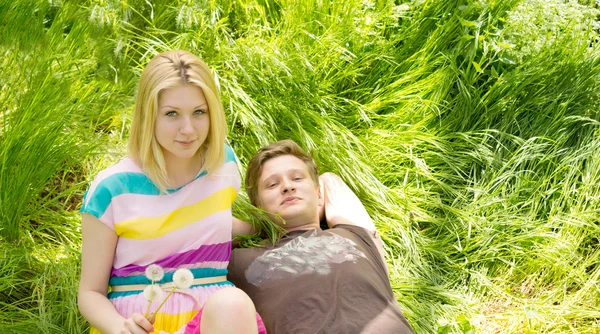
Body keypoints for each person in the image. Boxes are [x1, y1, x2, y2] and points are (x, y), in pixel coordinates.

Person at [78, 50, 266, 334]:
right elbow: (90, 293)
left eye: (199, 112)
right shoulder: (112, 189)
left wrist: (271, 225)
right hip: (141, 322)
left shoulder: (223, 164)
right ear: (148, 116)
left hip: (216, 319)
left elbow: (210, 221)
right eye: (172, 114)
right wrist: (120, 328)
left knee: (233, 303)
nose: (188, 129)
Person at [226, 139, 415, 333]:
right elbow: (207, 227)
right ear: (258, 207)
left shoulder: (355, 234)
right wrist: (260, 224)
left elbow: (330, 180)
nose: (287, 187)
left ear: (319, 194)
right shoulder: (243, 261)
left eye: (297, 178)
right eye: (273, 184)